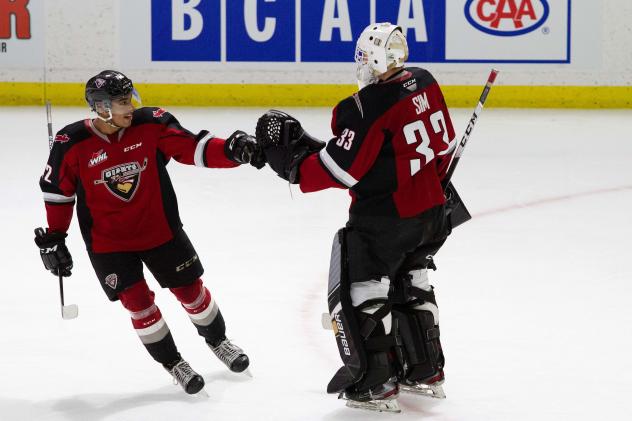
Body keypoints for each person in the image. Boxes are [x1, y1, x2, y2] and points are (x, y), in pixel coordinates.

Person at [255, 23, 460, 412]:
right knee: (411, 280)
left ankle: (375, 382)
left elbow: (339, 171)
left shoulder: (364, 106)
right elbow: (434, 148)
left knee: (364, 288)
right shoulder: (425, 81)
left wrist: (288, 163)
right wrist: (314, 148)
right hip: (433, 210)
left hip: (386, 219)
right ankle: (424, 370)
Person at [34, 70, 264, 394]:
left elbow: (192, 148)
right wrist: (55, 237)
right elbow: (58, 192)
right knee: (138, 303)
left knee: (191, 292)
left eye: (131, 98)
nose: (131, 106)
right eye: (122, 102)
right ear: (101, 108)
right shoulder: (71, 143)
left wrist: (231, 151)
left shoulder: (151, 124)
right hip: (109, 244)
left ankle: (218, 340)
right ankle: (174, 363)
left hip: (160, 231)